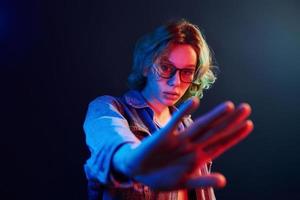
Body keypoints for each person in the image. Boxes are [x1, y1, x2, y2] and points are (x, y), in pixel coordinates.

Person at [83, 19, 253, 200]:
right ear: (146, 66)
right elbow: (114, 144)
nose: (176, 82)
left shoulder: (188, 128)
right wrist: (133, 162)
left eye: (186, 72)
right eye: (165, 67)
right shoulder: (108, 108)